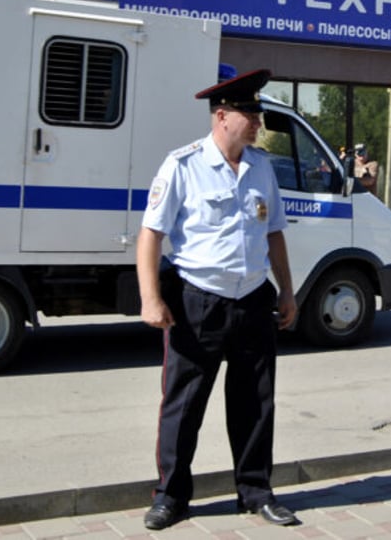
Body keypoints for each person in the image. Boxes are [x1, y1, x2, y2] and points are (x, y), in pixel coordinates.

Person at [136, 68, 300, 531]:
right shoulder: (182, 165)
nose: (258, 121)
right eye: (250, 113)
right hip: (196, 300)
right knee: (183, 406)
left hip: (251, 299)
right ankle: (171, 497)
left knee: (255, 403)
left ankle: (255, 492)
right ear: (222, 115)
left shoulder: (261, 166)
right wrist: (151, 298)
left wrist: (287, 291)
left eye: (259, 112)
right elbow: (150, 236)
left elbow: (274, 233)